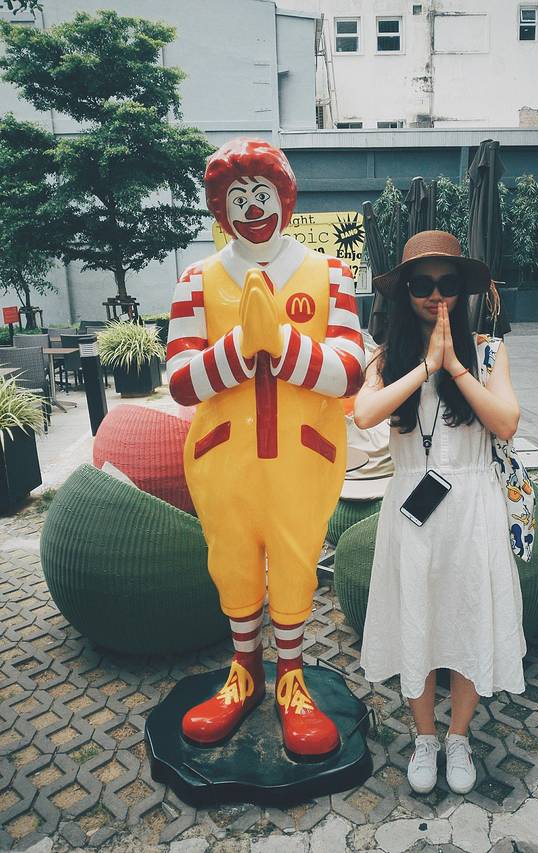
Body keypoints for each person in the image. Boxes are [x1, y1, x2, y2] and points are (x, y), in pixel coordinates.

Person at [166, 138, 365, 759]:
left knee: (296, 562)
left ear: (285, 198)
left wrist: (279, 343)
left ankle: (292, 677)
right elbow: (179, 381)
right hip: (223, 459)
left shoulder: (330, 274)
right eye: (237, 198)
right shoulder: (196, 280)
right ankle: (245, 670)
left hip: (303, 459)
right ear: (219, 209)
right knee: (233, 563)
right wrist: (237, 348)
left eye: (262, 194)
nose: (252, 209)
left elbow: (350, 370)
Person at [355, 230, 526, 795]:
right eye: (422, 285)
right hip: (413, 511)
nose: (435, 296)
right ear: (405, 292)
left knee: (469, 619)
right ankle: (424, 736)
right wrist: (425, 367)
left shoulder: (490, 352)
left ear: (463, 291)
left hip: (473, 509)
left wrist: (454, 366)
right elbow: (365, 414)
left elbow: (506, 422)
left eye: (447, 284)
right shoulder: (386, 358)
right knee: (418, 622)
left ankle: (458, 736)